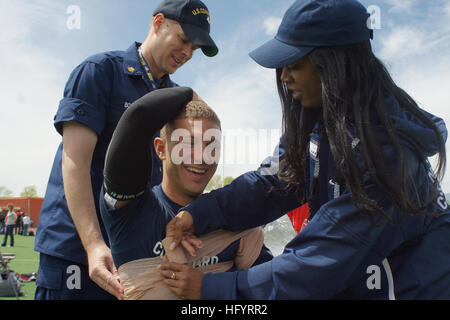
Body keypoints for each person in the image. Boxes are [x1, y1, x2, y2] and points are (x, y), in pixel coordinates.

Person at [160, 0, 450, 299]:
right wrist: (199, 214)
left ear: (337, 63)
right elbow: (274, 181)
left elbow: (317, 264)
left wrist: (209, 289)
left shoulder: (388, 152)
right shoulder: (318, 119)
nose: (284, 76)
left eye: (294, 63)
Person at [34, 0, 218, 300]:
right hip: (77, 253)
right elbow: (75, 160)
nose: (187, 53)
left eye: (194, 49)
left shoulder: (177, 100)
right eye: (184, 40)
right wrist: (93, 245)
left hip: (136, 257)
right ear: (158, 23)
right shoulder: (99, 71)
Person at [99, 87, 272, 299]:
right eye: (189, 143)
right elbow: (138, 117)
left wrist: (208, 287)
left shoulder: (233, 220)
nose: (202, 157)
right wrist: (190, 94)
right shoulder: (132, 210)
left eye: (212, 146)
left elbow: (268, 294)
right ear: (161, 149)